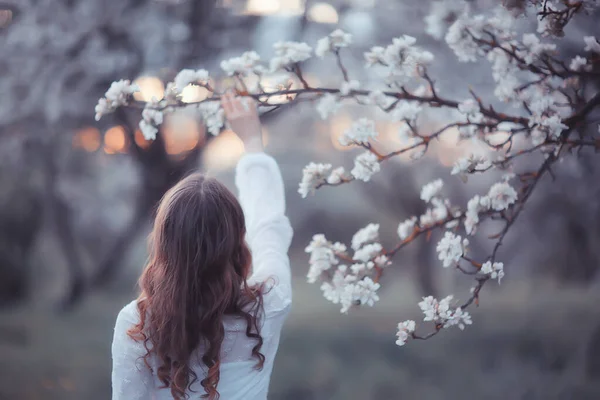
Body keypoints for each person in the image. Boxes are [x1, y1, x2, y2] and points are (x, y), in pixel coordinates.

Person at [110, 93, 293, 400]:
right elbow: (268, 227)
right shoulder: (269, 304)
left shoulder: (138, 324)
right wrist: (252, 142)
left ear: (164, 245)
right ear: (237, 242)